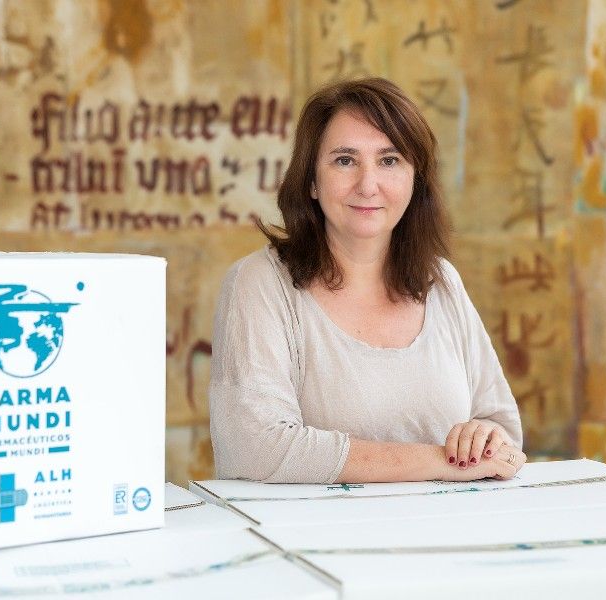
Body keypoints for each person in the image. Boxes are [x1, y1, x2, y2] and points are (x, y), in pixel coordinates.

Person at [209, 77, 525, 484]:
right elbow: (252, 449)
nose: (368, 185)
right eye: (345, 160)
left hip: (446, 524)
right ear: (311, 181)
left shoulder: (441, 280)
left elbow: (504, 433)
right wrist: (441, 462)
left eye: (389, 161)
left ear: (415, 179)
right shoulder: (259, 284)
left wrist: (484, 438)